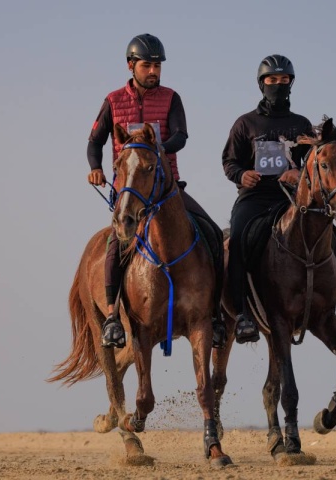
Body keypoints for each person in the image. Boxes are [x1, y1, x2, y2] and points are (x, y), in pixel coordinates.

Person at [222, 54, 336, 344]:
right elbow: (229, 162)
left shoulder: (302, 124)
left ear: (291, 84)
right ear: (262, 84)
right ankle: (242, 315)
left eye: (284, 80)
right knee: (238, 239)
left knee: (334, 237)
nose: (278, 85)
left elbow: (315, 165)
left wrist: (296, 172)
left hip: (292, 199)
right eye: (272, 80)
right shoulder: (245, 123)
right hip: (254, 198)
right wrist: (242, 175)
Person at [87, 33, 225, 349]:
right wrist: (95, 167)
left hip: (167, 189)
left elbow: (181, 136)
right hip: (130, 193)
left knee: (213, 233)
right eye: (147, 65)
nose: (153, 71)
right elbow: (95, 141)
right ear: (131, 65)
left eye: (158, 66)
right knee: (115, 245)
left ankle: (215, 315)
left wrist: (155, 147)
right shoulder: (112, 101)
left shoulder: (171, 98)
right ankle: (112, 317)